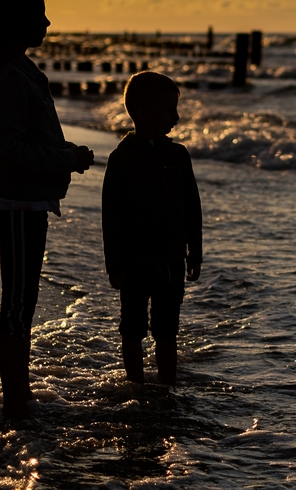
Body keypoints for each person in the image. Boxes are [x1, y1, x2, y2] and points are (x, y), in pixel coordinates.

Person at [0, 0, 95, 419]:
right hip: (17, 204)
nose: (48, 22)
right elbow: (7, 149)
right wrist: (66, 158)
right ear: (20, 21)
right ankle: (16, 399)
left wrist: (64, 156)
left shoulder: (19, 69)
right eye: (40, 14)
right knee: (19, 303)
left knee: (24, 300)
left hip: (26, 203)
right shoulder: (14, 77)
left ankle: (19, 392)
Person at [102, 72, 202, 385]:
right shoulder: (122, 158)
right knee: (132, 327)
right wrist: (114, 265)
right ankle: (136, 385)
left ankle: (167, 386)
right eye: (169, 110)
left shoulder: (178, 155)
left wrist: (195, 251)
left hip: (172, 260)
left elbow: (192, 207)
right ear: (143, 113)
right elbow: (111, 216)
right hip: (133, 263)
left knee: (167, 328)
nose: (176, 117)